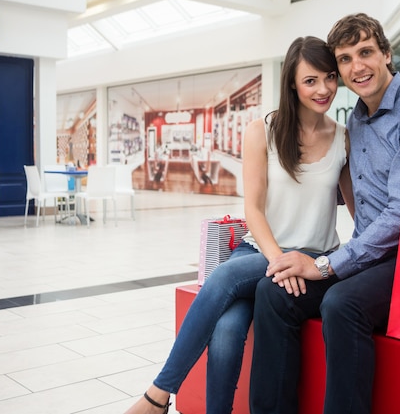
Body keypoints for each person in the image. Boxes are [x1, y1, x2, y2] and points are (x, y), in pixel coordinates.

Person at [124, 36, 353, 414]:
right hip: (261, 249)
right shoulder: (261, 130)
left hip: (313, 256)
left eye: (329, 77)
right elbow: (254, 209)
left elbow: (358, 208)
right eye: (311, 80)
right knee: (227, 313)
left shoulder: (343, 138)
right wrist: (278, 259)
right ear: (292, 84)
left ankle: (156, 397)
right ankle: (166, 396)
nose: (324, 88)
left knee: (225, 299)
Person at [249, 13, 400, 414]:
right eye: (344, 59)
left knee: (341, 303)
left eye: (365, 52)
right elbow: (343, 193)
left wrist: (325, 265)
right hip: (370, 255)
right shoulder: (356, 122)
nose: (356, 66)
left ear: (387, 54)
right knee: (273, 292)